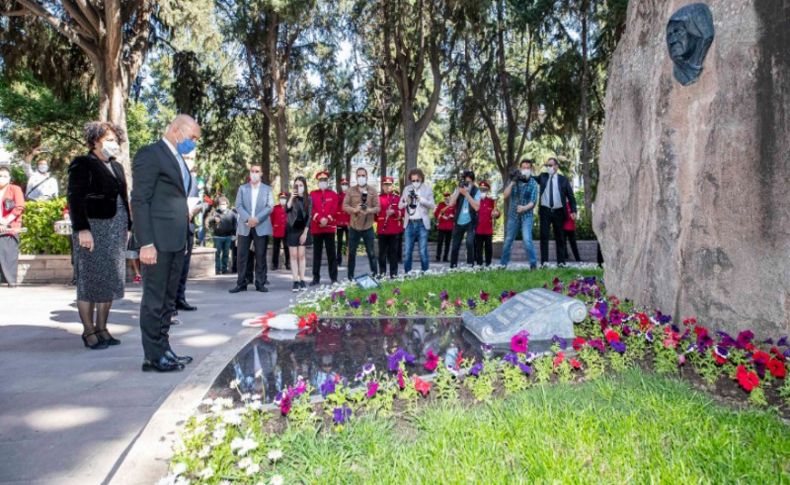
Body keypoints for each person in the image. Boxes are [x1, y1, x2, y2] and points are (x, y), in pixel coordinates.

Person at [131, 114, 200, 372]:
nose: (193, 143)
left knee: (169, 301)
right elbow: (140, 200)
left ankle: (164, 348)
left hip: (175, 241)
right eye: (192, 137)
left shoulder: (176, 158)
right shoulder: (151, 154)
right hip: (157, 242)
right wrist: (145, 242)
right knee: (154, 299)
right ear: (176, 130)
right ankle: (152, 355)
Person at [67, 121, 131, 350]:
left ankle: (103, 328)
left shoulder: (117, 167)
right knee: (90, 281)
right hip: (93, 230)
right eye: (109, 140)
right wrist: (82, 229)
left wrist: (128, 225)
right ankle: (89, 331)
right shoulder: (83, 164)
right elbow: (75, 197)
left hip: (115, 230)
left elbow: (123, 197)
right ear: (95, 141)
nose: (114, 144)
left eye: (116, 140)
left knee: (109, 281)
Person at [230, 164, 274, 293]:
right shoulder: (243, 188)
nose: (254, 173)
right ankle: (241, 283)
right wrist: (248, 219)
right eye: (252, 171)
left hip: (261, 225)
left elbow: (270, 206)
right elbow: (238, 205)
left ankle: (260, 283)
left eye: (257, 171)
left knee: (260, 255)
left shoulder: (267, 189)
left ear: (261, 174)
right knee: (242, 256)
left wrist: (257, 219)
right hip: (245, 226)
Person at [535, 157, 577, 266]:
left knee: (560, 237)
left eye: (551, 165)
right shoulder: (543, 177)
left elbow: (571, 196)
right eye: (547, 165)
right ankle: (544, 262)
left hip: (559, 212)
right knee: (544, 236)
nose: (549, 167)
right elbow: (531, 179)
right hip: (545, 211)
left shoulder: (563, 180)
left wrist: (573, 210)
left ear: (556, 167)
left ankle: (561, 262)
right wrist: (522, 175)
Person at [500, 159, 539, 268]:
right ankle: (503, 265)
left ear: (531, 169)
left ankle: (533, 265)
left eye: (528, 168)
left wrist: (523, 208)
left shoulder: (533, 183)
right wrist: (512, 182)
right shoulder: (514, 180)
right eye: (523, 168)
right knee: (508, 240)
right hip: (513, 216)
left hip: (527, 216)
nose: (525, 170)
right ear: (520, 168)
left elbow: (533, 202)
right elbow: (505, 195)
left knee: (527, 239)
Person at [175, 154, 202, 310]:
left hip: (189, 227)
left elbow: (198, 203)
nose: (189, 161)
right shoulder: (173, 178)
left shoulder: (193, 180)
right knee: (174, 266)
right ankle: (170, 303)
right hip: (174, 227)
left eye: (192, 159)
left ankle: (180, 298)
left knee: (184, 266)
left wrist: (195, 210)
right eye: (186, 158)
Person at [343, 167, 380, 280]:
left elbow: (378, 207)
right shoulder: (350, 191)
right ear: (356, 177)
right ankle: (350, 277)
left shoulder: (372, 190)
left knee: (371, 254)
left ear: (367, 176)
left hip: (368, 227)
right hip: (354, 227)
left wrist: (369, 210)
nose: (361, 177)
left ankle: (375, 275)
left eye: (363, 175)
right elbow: (344, 206)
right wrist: (355, 209)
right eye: (359, 175)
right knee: (352, 254)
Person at [399, 168, 435, 273]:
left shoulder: (427, 189)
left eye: (417, 180)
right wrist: (407, 202)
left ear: (421, 179)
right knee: (407, 251)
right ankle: (407, 273)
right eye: (413, 180)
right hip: (409, 223)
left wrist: (421, 199)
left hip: (422, 224)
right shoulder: (406, 189)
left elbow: (432, 205)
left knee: (423, 251)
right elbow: (400, 205)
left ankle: (425, 273)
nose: (415, 182)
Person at [309, 170, 338, 285]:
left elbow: (335, 209)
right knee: (317, 254)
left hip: (329, 228)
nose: (323, 182)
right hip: (317, 228)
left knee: (332, 254)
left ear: (328, 181)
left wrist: (327, 219)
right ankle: (316, 278)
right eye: (321, 180)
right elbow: (312, 209)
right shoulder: (312, 194)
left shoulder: (333, 195)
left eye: (325, 180)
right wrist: (319, 219)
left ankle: (334, 278)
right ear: (318, 182)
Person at [448, 170, 481, 268]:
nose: (467, 184)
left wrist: (467, 194)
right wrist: (459, 191)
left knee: (469, 243)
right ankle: (453, 266)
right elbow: (451, 203)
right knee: (455, 246)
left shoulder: (476, 190)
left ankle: (470, 265)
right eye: (466, 182)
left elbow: (477, 207)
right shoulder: (459, 189)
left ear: (473, 182)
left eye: (469, 182)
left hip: (470, 221)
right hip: (459, 221)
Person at [0, 165, 25, 288]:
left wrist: (5, 221)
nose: (2, 178)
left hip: (10, 228)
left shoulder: (15, 189)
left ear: (9, 178)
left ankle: (11, 282)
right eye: (0, 176)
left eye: (5, 176)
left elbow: (19, 207)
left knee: (8, 255)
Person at [286, 176, 311, 292]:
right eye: (297, 185)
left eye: (301, 185)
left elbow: (309, 216)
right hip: (292, 229)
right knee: (294, 255)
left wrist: (305, 233)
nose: (299, 187)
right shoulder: (291, 198)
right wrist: (292, 197)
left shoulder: (308, 199)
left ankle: (302, 280)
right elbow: (287, 209)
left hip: (303, 229)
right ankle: (295, 281)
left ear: (304, 186)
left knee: (301, 255)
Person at [376, 176, 402, 278]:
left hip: (394, 229)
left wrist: (394, 212)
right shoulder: (378, 198)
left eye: (389, 185)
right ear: (382, 186)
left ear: (392, 186)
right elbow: (375, 216)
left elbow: (403, 212)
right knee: (381, 254)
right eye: (385, 185)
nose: (387, 187)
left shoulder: (397, 198)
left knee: (393, 253)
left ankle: (394, 274)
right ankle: (382, 273)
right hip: (382, 229)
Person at [207, 196, 236, 274]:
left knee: (226, 254)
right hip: (217, 237)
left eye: (224, 204)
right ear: (218, 205)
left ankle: (224, 269)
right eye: (221, 204)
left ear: (227, 204)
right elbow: (209, 221)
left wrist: (234, 234)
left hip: (228, 237)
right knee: (217, 254)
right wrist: (214, 219)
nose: (222, 205)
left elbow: (235, 224)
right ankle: (217, 269)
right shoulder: (215, 212)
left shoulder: (231, 213)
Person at [474, 181, 499, 266]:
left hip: (488, 229)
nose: (482, 191)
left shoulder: (492, 201)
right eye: (481, 190)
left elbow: (497, 213)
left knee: (489, 248)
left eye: (484, 190)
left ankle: (488, 263)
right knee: (478, 248)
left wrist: (496, 214)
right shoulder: (476, 201)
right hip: (478, 229)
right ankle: (479, 264)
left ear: (487, 191)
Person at [271, 191, 291, 271]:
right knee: (276, 248)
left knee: (287, 248)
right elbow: (271, 219)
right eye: (281, 198)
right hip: (277, 230)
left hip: (286, 230)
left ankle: (288, 264)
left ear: (286, 199)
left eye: (284, 198)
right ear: (279, 199)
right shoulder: (275, 208)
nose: (282, 199)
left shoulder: (289, 208)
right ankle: (274, 265)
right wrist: (273, 227)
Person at [434, 192, 454, 262]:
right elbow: (436, 213)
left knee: (447, 243)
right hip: (442, 227)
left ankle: (445, 258)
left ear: (450, 197)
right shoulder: (441, 204)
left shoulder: (453, 205)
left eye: (448, 197)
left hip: (450, 227)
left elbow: (456, 214)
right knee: (440, 242)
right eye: (445, 197)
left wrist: (452, 216)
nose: (447, 198)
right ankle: (438, 257)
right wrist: (442, 216)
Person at [335, 178, 350, 266]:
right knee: (339, 242)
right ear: (341, 186)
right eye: (343, 184)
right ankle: (338, 259)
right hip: (340, 222)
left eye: (346, 184)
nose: (344, 186)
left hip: (348, 223)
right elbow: (336, 208)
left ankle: (349, 259)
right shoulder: (338, 196)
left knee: (349, 242)